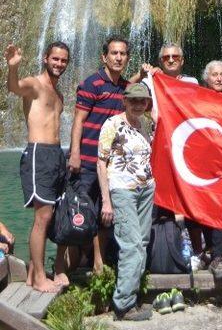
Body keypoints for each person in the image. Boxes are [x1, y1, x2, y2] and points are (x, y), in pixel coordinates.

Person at [70, 35, 140, 271]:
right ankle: (74, 262)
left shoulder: (123, 88)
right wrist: (74, 153)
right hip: (88, 161)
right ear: (104, 57)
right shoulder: (92, 84)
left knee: (105, 215)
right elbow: (78, 120)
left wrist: (142, 76)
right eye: (114, 53)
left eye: (122, 54)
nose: (118, 57)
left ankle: (97, 262)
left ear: (127, 58)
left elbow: (131, 93)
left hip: (111, 165)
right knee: (80, 212)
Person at [5, 41, 70, 291]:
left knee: (51, 215)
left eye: (63, 60)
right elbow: (14, 87)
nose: (59, 64)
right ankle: (41, 278)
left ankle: (33, 273)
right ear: (46, 58)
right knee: (42, 217)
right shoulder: (34, 84)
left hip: (56, 154)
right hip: (38, 154)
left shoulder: (59, 94)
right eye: (55, 59)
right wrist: (13, 68)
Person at [97, 83, 156, 321]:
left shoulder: (145, 124)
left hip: (146, 190)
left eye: (143, 101)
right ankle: (123, 305)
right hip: (122, 190)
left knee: (141, 242)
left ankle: (133, 295)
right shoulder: (112, 124)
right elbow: (101, 163)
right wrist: (106, 201)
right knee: (130, 245)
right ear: (125, 101)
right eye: (134, 101)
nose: (138, 105)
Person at [199, 60, 222, 280]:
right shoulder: (196, 100)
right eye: (214, 75)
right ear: (206, 78)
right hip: (201, 163)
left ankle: (218, 256)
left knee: (219, 209)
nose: (218, 78)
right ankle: (209, 251)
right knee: (202, 209)